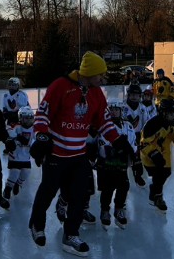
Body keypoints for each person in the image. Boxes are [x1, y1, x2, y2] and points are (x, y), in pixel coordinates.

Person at [27, 51, 134, 256]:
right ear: (90, 72)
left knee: (80, 196)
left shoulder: (96, 93)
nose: (103, 79)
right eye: (100, 74)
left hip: (79, 155)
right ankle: (37, 224)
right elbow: (43, 113)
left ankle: (71, 235)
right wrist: (41, 136)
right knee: (47, 191)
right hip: (57, 154)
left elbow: (104, 122)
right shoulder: (61, 85)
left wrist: (120, 141)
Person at [96, 98, 137, 230]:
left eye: (116, 109)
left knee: (124, 186)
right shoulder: (104, 126)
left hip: (122, 163)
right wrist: (120, 150)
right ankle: (105, 211)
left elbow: (133, 144)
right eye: (111, 109)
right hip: (107, 163)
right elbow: (103, 146)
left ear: (121, 111)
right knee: (107, 189)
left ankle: (119, 208)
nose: (114, 112)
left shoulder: (128, 126)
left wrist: (132, 155)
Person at [3, 106, 34, 200]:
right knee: (14, 172)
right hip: (15, 155)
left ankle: (18, 183)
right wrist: (15, 138)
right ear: (20, 118)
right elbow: (9, 131)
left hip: (26, 156)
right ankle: (8, 188)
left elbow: (36, 139)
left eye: (30, 118)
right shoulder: (16, 126)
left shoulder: (34, 128)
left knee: (26, 172)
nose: (28, 120)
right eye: (26, 118)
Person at [123, 84, 149, 187]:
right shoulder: (123, 107)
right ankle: (124, 177)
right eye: (132, 94)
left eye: (136, 95)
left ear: (140, 96)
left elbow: (146, 123)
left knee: (137, 157)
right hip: (125, 137)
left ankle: (138, 176)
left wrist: (145, 137)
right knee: (124, 158)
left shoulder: (142, 108)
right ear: (128, 95)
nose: (134, 97)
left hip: (138, 136)